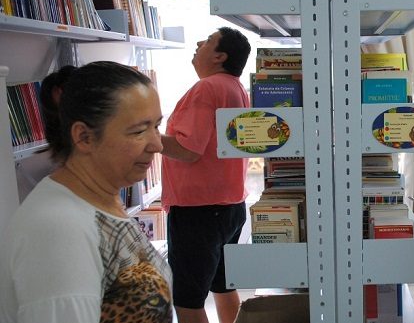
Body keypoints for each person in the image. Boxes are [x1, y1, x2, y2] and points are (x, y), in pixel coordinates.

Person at [0, 61, 171, 322]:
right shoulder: (58, 229)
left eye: (156, 126)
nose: (157, 144)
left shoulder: (99, 200)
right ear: (84, 137)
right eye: (139, 131)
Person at [160, 27, 251, 323]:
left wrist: (144, 135)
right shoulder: (236, 88)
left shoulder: (206, 89)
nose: (199, 43)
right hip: (229, 206)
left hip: (198, 210)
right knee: (223, 286)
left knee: (187, 300)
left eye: (208, 41)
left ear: (220, 56)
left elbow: (188, 149)